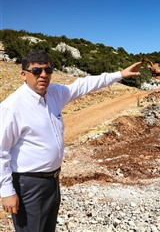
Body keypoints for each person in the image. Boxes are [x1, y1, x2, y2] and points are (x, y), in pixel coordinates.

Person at [0, 49, 144, 231]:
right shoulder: (12, 107)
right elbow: (1, 151)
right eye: (37, 71)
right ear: (24, 74)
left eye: (48, 70)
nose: (43, 75)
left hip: (52, 181)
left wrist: (119, 74)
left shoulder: (54, 93)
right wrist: (6, 191)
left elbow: (84, 85)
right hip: (28, 184)